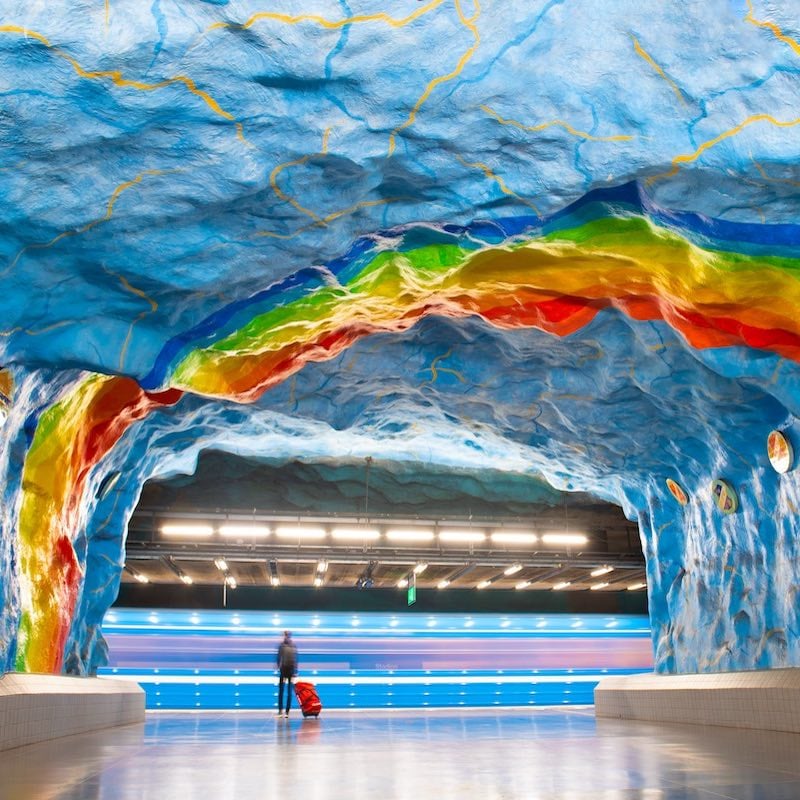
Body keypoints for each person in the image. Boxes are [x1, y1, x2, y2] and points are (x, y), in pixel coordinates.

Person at [276, 630, 298, 718]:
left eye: (285, 635)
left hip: (286, 670)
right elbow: (295, 659)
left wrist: (279, 667)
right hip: (288, 670)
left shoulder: (282, 646)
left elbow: (278, 658)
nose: (285, 637)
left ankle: (284, 711)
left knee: (284, 691)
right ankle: (283, 712)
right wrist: (295, 670)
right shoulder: (293, 646)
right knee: (285, 691)